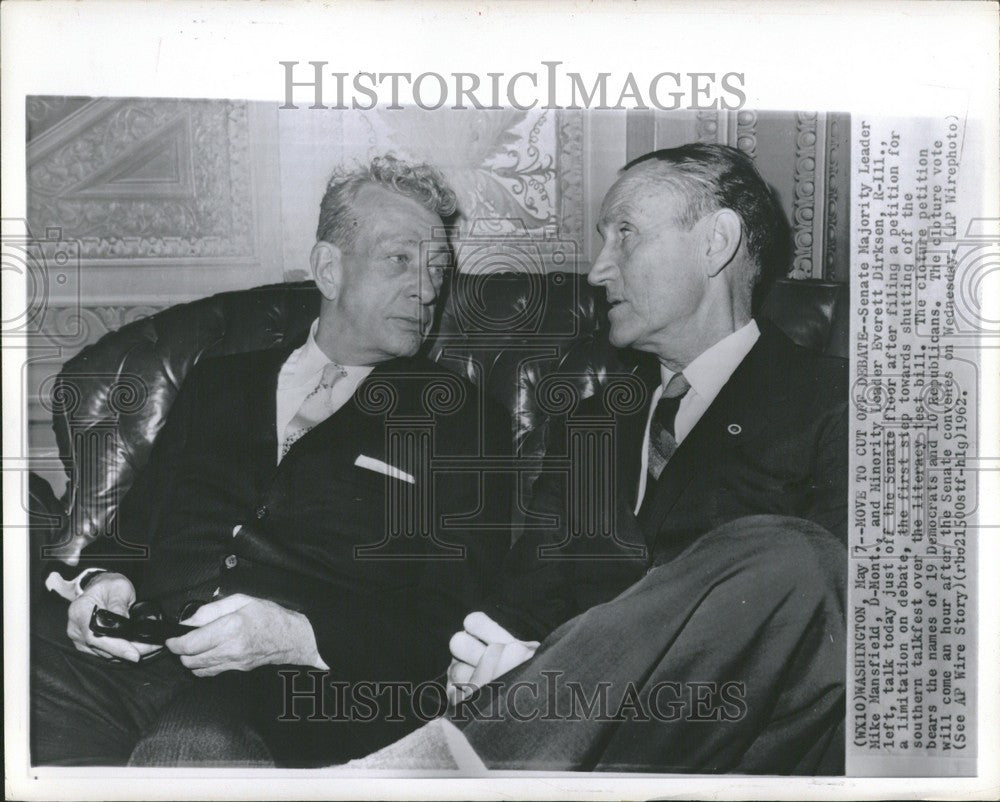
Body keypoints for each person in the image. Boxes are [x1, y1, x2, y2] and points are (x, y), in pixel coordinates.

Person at [31, 155, 511, 767]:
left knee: (194, 746)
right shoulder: (217, 381)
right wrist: (102, 585)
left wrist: (299, 637)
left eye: (437, 269)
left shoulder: (460, 418)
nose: (427, 289)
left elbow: (453, 611)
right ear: (329, 269)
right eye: (400, 261)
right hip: (134, 661)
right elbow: (131, 527)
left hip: (292, 689)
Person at [432, 143, 848, 773]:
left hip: (739, 752)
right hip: (577, 758)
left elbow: (841, 628)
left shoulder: (840, 400)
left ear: (717, 243)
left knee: (794, 557)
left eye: (625, 234)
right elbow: (524, 598)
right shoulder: (589, 427)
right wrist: (480, 659)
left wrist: (559, 681)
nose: (598, 271)